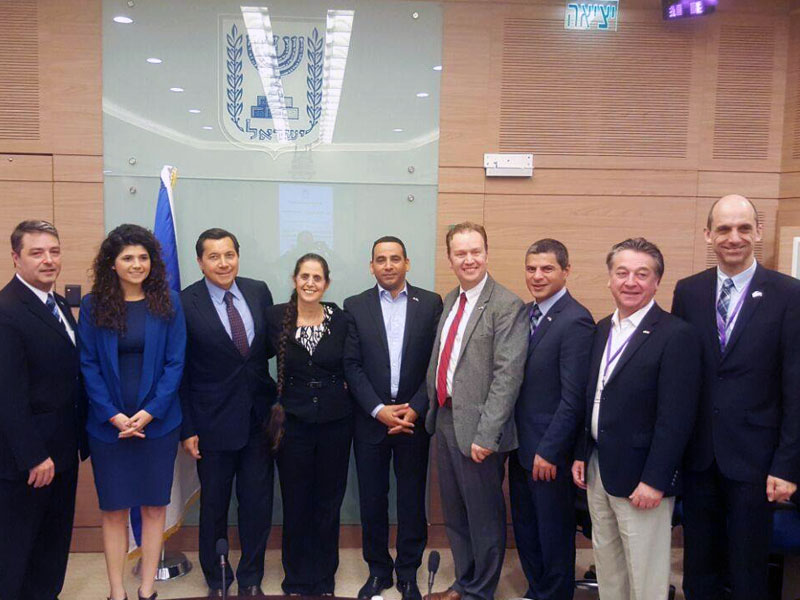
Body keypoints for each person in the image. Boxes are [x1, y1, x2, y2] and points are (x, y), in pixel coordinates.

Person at [672, 194, 800, 600]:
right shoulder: (688, 292)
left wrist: (787, 465)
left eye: (744, 227)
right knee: (699, 568)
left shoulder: (789, 294)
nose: (734, 237)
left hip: (757, 460)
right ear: (708, 235)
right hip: (699, 456)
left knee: (747, 571)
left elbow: (796, 387)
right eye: (724, 228)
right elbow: (681, 377)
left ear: (758, 232)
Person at [571, 237, 701, 600]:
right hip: (599, 469)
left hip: (644, 480)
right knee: (609, 567)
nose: (631, 282)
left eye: (642, 274)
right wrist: (582, 453)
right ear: (609, 279)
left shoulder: (676, 335)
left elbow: (676, 418)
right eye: (622, 272)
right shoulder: (601, 329)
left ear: (657, 282)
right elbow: (592, 398)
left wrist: (656, 481)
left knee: (645, 576)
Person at [79, 224, 186, 600]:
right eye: (128, 257)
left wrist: (150, 412)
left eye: (143, 257)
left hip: (157, 426)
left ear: (153, 262)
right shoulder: (94, 305)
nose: (136, 264)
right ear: (112, 262)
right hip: (108, 428)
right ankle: (115, 591)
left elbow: (176, 364)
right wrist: (112, 414)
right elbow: (88, 364)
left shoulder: (169, 302)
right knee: (113, 511)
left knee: (154, 508)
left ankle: (146, 589)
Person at [424, 222, 528, 600]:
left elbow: (507, 377)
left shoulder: (506, 305)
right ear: (450, 259)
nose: (469, 259)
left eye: (475, 251)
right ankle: (464, 580)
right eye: (460, 253)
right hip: (447, 421)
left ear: (487, 253)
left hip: (481, 429)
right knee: (456, 513)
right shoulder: (451, 300)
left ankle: (480, 590)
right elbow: (441, 361)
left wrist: (487, 435)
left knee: (483, 517)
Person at [343, 236, 443, 600]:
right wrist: (379, 410)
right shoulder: (354, 306)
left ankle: (408, 573)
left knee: (412, 500)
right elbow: (351, 365)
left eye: (395, 258)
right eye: (381, 259)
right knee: (372, 499)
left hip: (414, 419)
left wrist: (415, 406)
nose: (388, 265)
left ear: (407, 263)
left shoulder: (431, 303)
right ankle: (378, 571)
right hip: (371, 419)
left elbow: (436, 363)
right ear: (371, 266)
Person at [180, 228, 276, 597]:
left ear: (238, 255)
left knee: (257, 504)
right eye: (214, 256)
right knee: (214, 507)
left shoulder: (257, 290)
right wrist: (187, 428)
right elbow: (181, 371)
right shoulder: (185, 302)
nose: (223, 263)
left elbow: (264, 350)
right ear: (200, 261)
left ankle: (251, 579)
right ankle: (218, 579)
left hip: (257, 419)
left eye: (229, 254)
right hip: (211, 423)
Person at [0, 220, 89, 600]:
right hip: (29, 462)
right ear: (16, 258)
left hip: (62, 451)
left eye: (53, 251)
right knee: (17, 553)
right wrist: (35, 455)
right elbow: (8, 395)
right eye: (37, 253)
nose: (48, 260)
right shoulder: (7, 311)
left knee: (50, 552)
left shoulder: (56, 304)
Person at [510, 239, 594, 600]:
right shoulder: (526, 313)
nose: (537, 276)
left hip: (548, 452)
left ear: (566, 271)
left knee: (553, 534)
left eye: (547, 269)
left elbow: (574, 399)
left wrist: (549, 450)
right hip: (518, 445)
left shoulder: (576, 320)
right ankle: (536, 589)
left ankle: (555, 593)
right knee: (526, 529)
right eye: (531, 269)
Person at [266, 253, 352, 596]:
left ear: (327, 283)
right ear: (294, 279)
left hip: (336, 422)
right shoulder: (276, 317)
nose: (310, 283)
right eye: (304, 276)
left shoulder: (340, 319)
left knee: (328, 501)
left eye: (317, 278)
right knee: (296, 500)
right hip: (294, 424)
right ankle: (297, 577)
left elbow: (354, 365)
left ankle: (324, 575)